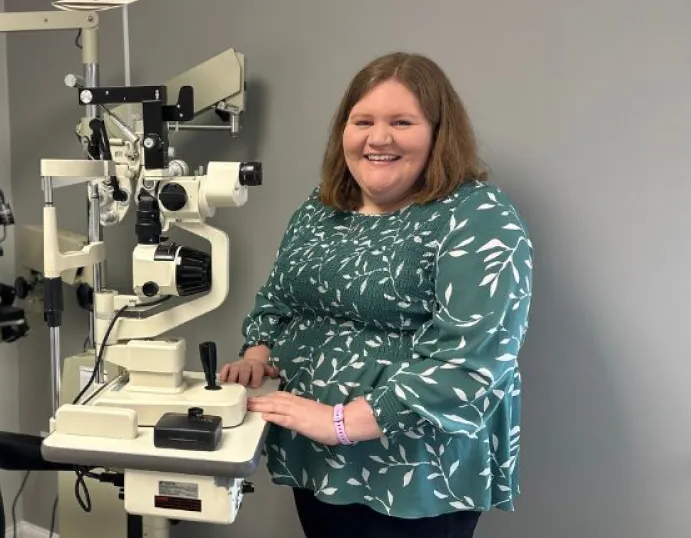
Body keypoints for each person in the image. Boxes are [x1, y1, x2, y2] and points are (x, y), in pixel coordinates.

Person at [219, 51, 533, 538]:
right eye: (362, 120)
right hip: (317, 461)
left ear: (437, 132)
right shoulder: (321, 207)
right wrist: (258, 351)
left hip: (415, 472)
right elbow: (280, 298)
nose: (378, 138)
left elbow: (474, 361)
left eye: (401, 121)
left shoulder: (478, 216)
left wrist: (341, 423)